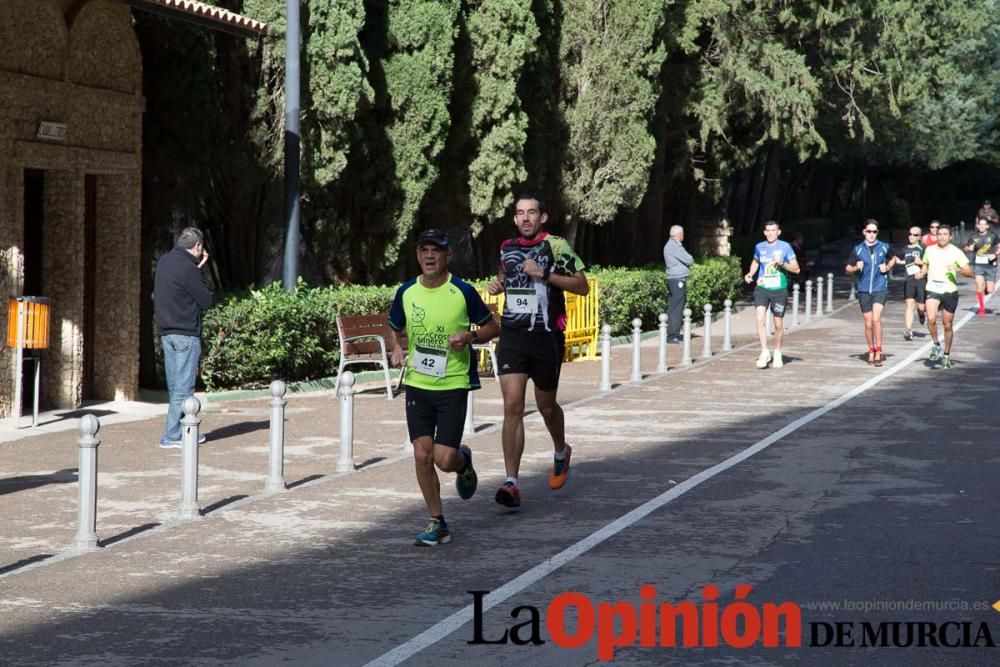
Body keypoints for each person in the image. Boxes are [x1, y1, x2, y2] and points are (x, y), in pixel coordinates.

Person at [387, 229, 500, 546]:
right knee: (422, 455)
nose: (429, 256)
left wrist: (470, 337)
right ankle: (437, 521)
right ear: (418, 255)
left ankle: (463, 461)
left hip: (452, 385)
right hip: (418, 386)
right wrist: (396, 348)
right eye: (424, 250)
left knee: (443, 459)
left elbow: (493, 325)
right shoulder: (407, 292)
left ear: (448, 255)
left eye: (436, 250)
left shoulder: (462, 291)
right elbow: (393, 326)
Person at [487, 194, 589, 508]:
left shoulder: (556, 246)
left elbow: (582, 285)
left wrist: (545, 274)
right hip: (514, 334)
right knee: (512, 405)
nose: (526, 218)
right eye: (520, 213)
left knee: (546, 406)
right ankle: (511, 482)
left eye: (532, 212)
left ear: (542, 217)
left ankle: (561, 450)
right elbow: (509, 277)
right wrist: (499, 285)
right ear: (515, 219)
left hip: (546, 336)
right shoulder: (506, 247)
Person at [153, 227, 213, 448]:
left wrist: (195, 267)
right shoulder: (189, 269)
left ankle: (177, 431)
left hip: (166, 333)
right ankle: (172, 435)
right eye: (201, 248)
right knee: (184, 387)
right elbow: (206, 300)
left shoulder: (164, 262)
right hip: (186, 334)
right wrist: (200, 270)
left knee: (175, 387)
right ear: (197, 246)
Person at [743, 220, 799, 369]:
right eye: (767, 230)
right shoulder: (759, 247)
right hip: (762, 287)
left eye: (773, 230)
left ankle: (778, 351)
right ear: (764, 232)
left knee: (778, 323)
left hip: (779, 290)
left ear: (778, 232)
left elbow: (796, 269)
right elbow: (755, 261)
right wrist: (750, 273)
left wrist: (782, 264)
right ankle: (764, 351)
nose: (770, 233)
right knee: (760, 319)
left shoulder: (785, 247)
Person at [917, 224, 973, 370]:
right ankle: (936, 344)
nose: (941, 237)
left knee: (947, 325)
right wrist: (922, 273)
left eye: (945, 234)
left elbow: (969, 272)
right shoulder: (929, 250)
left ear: (950, 236)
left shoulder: (956, 252)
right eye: (939, 234)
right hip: (933, 288)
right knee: (931, 318)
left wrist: (958, 269)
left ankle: (947, 354)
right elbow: (925, 265)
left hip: (949, 291)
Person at [845, 220, 896, 366]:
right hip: (864, 289)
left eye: (874, 232)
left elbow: (893, 258)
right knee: (868, 323)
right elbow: (847, 268)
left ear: (877, 233)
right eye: (869, 231)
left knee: (876, 319)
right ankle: (871, 349)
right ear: (864, 232)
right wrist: (855, 267)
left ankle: (879, 350)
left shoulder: (884, 247)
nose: (871, 234)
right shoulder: (858, 249)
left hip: (880, 287)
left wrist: (887, 267)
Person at [894, 225, 926, 341]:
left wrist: (921, 262)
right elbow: (907, 262)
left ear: (919, 237)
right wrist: (899, 261)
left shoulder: (923, 248)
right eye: (910, 234)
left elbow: (929, 263)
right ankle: (908, 330)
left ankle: (921, 314)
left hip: (921, 280)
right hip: (909, 280)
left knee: (921, 307)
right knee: (909, 306)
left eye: (915, 235)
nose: (911, 236)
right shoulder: (906, 249)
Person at [962, 215, 998, 316]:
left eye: (984, 224)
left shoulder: (993, 236)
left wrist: (994, 254)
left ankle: (986, 289)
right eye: (980, 224)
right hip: (978, 264)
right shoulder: (974, 237)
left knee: (990, 290)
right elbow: (965, 248)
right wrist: (969, 249)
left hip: (990, 265)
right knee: (979, 285)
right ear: (977, 226)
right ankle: (981, 309)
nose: (981, 226)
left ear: (987, 226)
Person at [663, 225, 693, 343]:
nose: (683, 236)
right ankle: (673, 335)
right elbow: (689, 259)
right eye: (682, 234)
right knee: (677, 308)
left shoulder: (670, 245)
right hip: (677, 280)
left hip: (674, 279)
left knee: (673, 306)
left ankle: (673, 333)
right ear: (678, 235)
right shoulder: (675, 246)